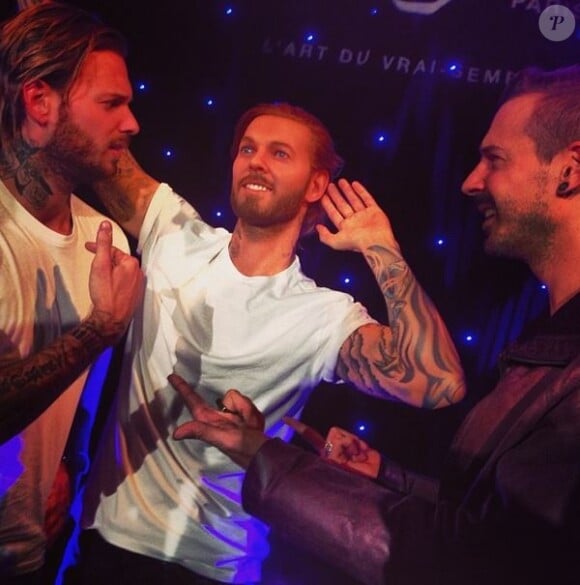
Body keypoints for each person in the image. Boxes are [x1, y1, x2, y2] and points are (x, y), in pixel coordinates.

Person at [166, 64, 580, 585]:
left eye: (493, 159)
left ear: (571, 169)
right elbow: (495, 520)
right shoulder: (549, 342)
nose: (470, 181)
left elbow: (490, 559)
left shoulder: (320, 311)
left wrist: (268, 459)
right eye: (248, 148)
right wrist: (388, 477)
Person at [78, 102, 466, 584]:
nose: (256, 161)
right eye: (248, 149)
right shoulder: (175, 235)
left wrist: (380, 248)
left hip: (216, 566)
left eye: (280, 154)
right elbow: (92, 147)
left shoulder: (322, 315)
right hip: (106, 543)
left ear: (317, 185)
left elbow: (439, 383)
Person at [0, 2, 143, 583]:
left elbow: (82, 394)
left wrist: (70, 461)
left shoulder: (103, 242)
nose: (132, 123)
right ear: (40, 103)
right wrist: (98, 331)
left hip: (30, 551)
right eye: (112, 104)